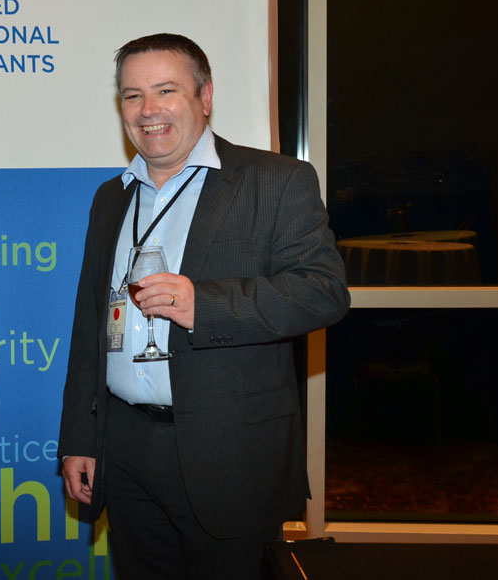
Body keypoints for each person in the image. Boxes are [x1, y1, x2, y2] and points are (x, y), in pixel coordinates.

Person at [58, 34, 350, 579]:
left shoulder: (275, 180)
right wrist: (80, 436)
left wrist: (205, 305)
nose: (148, 110)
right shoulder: (111, 197)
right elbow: (89, 326)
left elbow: (323, 291)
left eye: (166, 90)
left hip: (228, 452)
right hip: (125, 450)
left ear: (205, 96)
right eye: (132, 96)